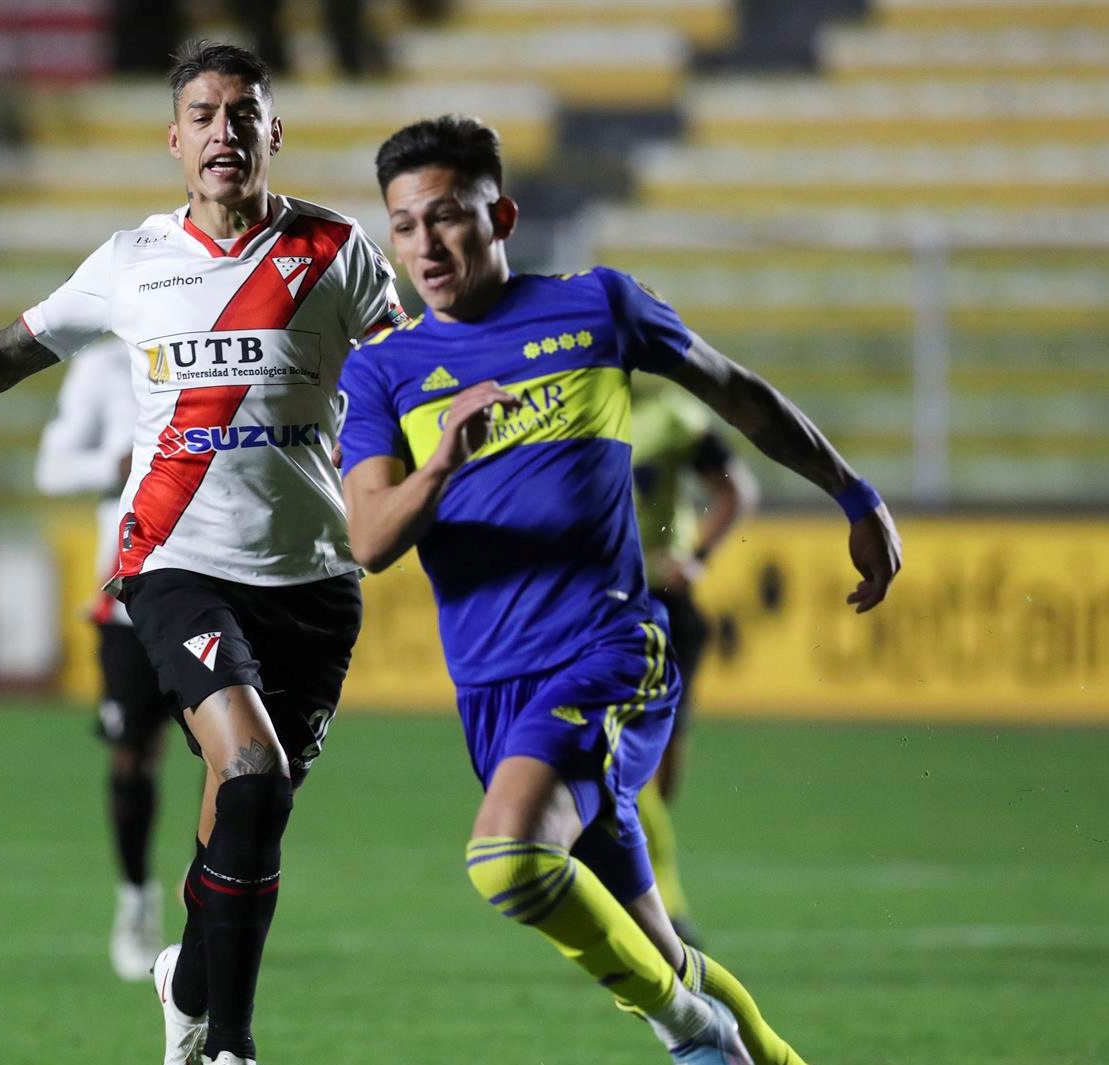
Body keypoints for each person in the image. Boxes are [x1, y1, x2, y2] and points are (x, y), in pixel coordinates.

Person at [0, 41, 405, 1065]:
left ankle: (187, 985)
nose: (224, 131)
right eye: (204, 115)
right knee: (250, 773)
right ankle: (231, 1046)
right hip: (175, 565)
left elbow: (412, 372)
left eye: (243, 113)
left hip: (314, 578)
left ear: (274, 131)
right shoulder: (131, 262)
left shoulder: (336, 250)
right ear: (174, 140)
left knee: (250, 815)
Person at [337, 115, 902, 1065]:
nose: (425, 244)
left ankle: (690, 1034)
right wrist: (440, 464)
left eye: (447, 216)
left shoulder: (596, 306)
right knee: (663, 953)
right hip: (492, 692)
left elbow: (739, 392)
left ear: (501, 216)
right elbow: (370, 538)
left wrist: (854, 493)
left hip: (607, 652)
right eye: (404, 225)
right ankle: (727, 1033)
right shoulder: (382, 370)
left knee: (508, 857)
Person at [32, 334, 179, 983]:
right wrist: (114, 464)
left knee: (235, 758)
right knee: (132, 754)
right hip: (128, 595)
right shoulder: (104, 364)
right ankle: (136, 901)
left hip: (221, 579)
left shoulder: (225, 343)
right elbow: (51, 468)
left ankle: (216, 899)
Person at [629, 374, 760, 943]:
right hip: (601, 606)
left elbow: (737, 490)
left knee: (660, 777)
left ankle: (641, 893)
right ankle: (667, 911)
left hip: (666, 604)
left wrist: (699, 556)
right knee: (627, 772)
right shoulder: (560, 397)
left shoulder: (671, 415)